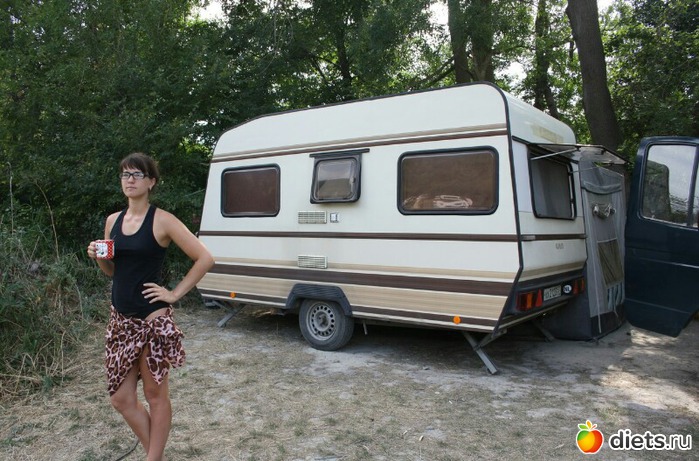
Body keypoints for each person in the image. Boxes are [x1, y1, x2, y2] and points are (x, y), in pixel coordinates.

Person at [87, 152, 214, 461]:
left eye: (137, 175)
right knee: (121, 398)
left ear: (151, 182)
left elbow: (205, 258)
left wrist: (174, 293)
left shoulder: (163, 220)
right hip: (120, 322)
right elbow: (113, 272)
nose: (129, 180)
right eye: (125, 174)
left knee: (155, 396)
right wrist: (99, 257)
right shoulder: (113, 221)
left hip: (151, 322)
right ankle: (156, 456)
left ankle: (153, 458)